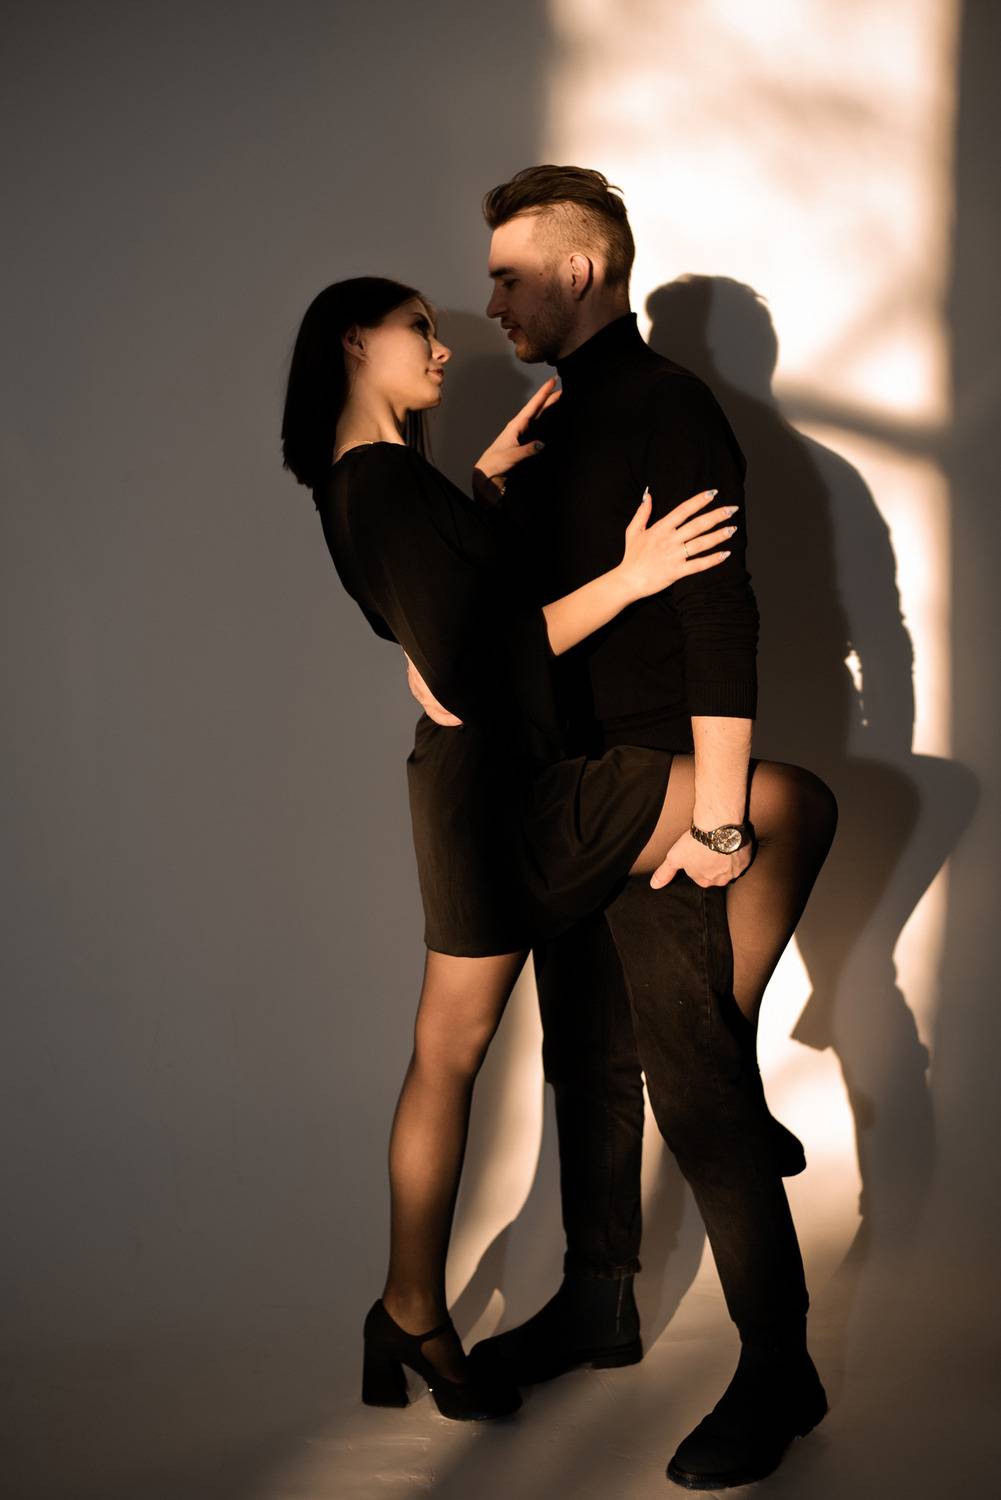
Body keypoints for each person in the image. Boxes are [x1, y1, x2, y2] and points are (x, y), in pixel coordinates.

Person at [279, 275, 800, 1436]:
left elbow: (441, 617)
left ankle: (409, 1311)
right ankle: (415, 1308)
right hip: (501, 794)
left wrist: (479, 491)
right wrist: (633, 577)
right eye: (420, 328)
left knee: (447, 1053)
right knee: (784, 804)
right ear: (355, 341)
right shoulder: (376, 480)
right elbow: (471, 664)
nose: (445, 346)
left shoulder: (373, 479)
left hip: (482, 788)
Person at [403, 167, 839, 1489]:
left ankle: (779, 1367)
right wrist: (485, 493)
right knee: (586, 1064)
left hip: (654, 792)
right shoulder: (550, 420)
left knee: (694, 1078)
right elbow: (497, 616)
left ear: (580, 271)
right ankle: (597, 1300)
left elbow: (718, 615)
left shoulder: (667, 407)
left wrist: (717, 820)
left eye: (508, 277)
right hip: (556, 788)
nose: (490, 304)